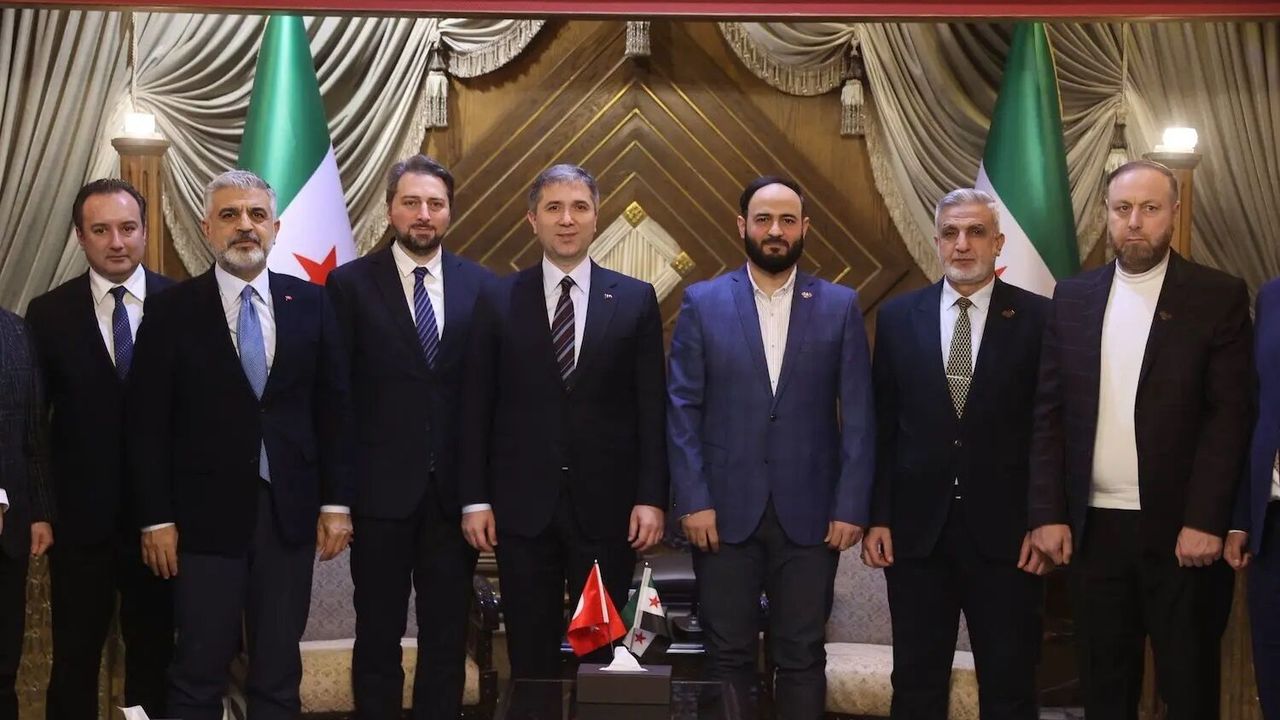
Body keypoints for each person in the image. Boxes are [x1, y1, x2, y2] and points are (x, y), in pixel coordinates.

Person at [1029, 159, 1252, 719]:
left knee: (1189, 687)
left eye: (1149, 209)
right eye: (1122, 208)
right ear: (1106, 215)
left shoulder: (1216, 295)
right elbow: (1050, 413)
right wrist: (1047, 512)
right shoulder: (1073, 296)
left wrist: (1206, 520)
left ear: (1173, 214)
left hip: (1183, 533)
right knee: (1105, 689)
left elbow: (1229, 417)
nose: (1134, 221)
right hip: (1094, 530)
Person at [127, 169, 353, 720]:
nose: (245, 226)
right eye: (229, 215)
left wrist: (336, 503)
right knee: (197, 672)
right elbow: (147, 424)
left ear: (275, 227)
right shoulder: (170, 309)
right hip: (201, 521)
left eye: (256, 215)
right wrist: (156, 518)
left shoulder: (314, 302)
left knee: (278, 673)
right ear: (207, 228)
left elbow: (335, 412)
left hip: (288, 517)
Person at [666, 175, 874, 720]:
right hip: (721, 516)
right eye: (763, 219)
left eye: (787, 220)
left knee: (802, 656)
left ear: (805, 228)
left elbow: (858, 416)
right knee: (726, 657)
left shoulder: (840, 305)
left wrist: (851, 505)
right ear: (743, 226)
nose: (775, 230)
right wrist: (693, 500)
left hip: (812, 519)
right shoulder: (703, 302)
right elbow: (682, 409)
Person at [458, 163, 667, 679]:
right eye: (554, 208)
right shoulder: (497, 299)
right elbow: (476, 406)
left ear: (597, 218)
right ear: (533, 219)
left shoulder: (635, 299)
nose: (567, 219)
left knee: (600, 654)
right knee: (530, 656)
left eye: (579, 208)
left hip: (607, 513)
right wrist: (475, 498)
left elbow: (651, 409)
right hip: (522, 511)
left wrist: (652, 497)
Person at [864, 188, 1049, 719]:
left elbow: (1050, 431)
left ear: (999, 242)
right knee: (916, 685)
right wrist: (879, 517)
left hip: (1011, 539)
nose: (962, 244)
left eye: (975, 232)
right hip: (918, 536)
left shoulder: (1039, 318)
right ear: (938, 241)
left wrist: (1043, 520)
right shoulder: (898, 317)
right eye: (951, 233)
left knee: (1010, 687)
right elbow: (883, 426)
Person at [326, 155, 494, 719]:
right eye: (412, 202)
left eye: (435, 204)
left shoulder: (482, 286)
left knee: (447, 636)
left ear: (450, 212)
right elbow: (338, 399)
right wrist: (338, 499)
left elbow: (487, 399)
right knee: (378, 634)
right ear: (390, 209)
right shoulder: (350, 285)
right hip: (378, 497)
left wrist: (480, 493)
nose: (424, 214)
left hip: (453, 498)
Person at [26, 178, 174, 720]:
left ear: (144, 232)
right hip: (78, 523)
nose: (117, 241)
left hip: (162, 523)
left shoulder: (182, 304)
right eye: (101, 230)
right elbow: (34, 423)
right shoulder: (48, 313)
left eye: (128, 228)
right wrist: (40, 508)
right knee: (75, 657)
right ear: (80, 237)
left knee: (154, 656)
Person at [1226, 275, 1280, 719]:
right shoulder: (1272, 297)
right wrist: (1242, 517)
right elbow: (1255, 406)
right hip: (1273, 517)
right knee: (1274, 666)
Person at [0, 308, 53, 720]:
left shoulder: (16, 332)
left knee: (4, 671)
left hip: (9, 532)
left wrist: (39, 510)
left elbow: (33, 431)